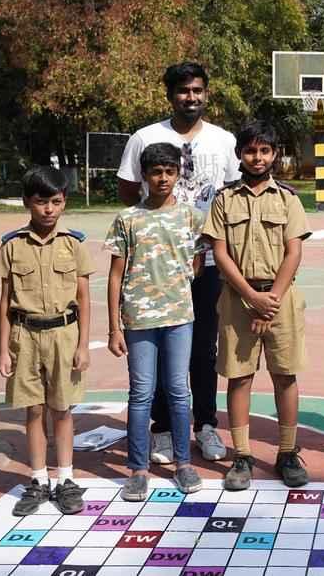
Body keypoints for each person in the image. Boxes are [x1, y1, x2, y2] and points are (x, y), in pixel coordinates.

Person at [116, 61, 240, 464]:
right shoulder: (145, 137)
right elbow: (127, 189)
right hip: (156, 265)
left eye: (197, 90)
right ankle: (164, 429)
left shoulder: (223, 140)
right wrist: (156, 225)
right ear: (170, 95)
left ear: (206, 93)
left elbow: (232, 193)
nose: (191, 97)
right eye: (184, 91)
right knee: (155, 347)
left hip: (207, 260)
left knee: (203, 347)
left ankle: (205, 424)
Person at [202, 120, 312, 490]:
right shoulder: (224, 199)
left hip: (281, 298)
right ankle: (242, 455)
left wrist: (271, 301)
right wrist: (251, 297)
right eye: (250, 150)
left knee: (285, 375)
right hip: (238, 299)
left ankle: (287, 452)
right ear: (239, 154)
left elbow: (294, 252)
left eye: (265, 150)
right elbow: (220, 252)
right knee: (239, 376)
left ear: (275, 154)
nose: (258, 157)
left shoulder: (288, 199)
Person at [0, 166, 94, 516]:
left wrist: (83, 345)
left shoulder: (74, 244)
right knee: (33, 409)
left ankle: (65, 479)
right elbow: (5, 301)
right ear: (27, 202)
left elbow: (84, 298)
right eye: (41, 202)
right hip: (25, 337)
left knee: (62, 409)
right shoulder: (12, 246)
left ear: (64, 202)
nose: (49, 209)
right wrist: (3, 350)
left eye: (56, 201)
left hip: (64, 335)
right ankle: (38, 480)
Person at [105, 143, 205, 500]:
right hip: (138, 320)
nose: (163, 178)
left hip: (179, 318)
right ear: (144, 176)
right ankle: (137, 469)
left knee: (178, 391)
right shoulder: (127, 219)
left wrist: (175, 288)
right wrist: (114, 327)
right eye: (156, 172)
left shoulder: (192, 217)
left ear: (178, 174)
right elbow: (115, 275)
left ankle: (183, 463)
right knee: (141, 393)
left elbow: (196, 264)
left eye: (169, 171)